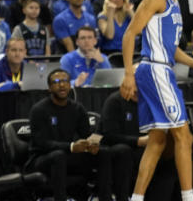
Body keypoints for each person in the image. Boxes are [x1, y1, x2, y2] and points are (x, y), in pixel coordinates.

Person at [120, 0, 193, 201]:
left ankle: (136, 198)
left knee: (157, 141)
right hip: (155, 70)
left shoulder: (174, 2)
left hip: (161, 68)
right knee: (184, 136)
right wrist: (128, 74)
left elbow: (171, 48)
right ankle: (189, 197)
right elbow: (130, 34)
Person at [28, 68, 123, 201]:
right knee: (58, 156)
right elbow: (41, 142)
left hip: (67, 156)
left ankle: (105, 197)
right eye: (56, 82)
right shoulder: (39, 110)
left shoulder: (77, 108)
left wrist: (91, 145)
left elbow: (86, 135)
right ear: (49, 88)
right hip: (41, 158)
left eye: (65, 81)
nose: (62, 85)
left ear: (70, 85)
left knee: (104, 153)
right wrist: (71, 146)